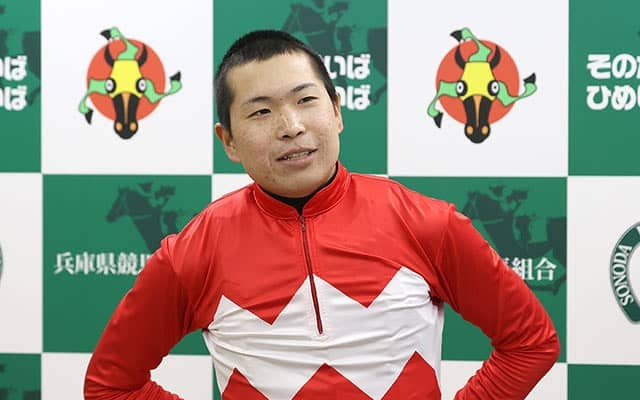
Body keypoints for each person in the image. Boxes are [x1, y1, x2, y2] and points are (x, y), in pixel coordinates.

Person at [84, 29, 560, 399]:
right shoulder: (193, 252)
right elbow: (110, 386)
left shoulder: (427, 223)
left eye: (306, 100)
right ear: (227, 140)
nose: (291, 126)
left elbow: (530, 343)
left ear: (337, 111)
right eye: (261, 112)